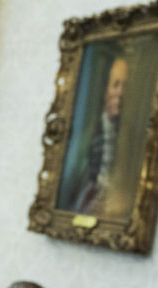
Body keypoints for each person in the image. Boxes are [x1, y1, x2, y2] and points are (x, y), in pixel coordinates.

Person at [64, 57, 128, 215]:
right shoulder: (87, 135)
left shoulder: (128, 138)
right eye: (116, 85)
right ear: (105, 90)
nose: (120, 92)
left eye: (125, 86)